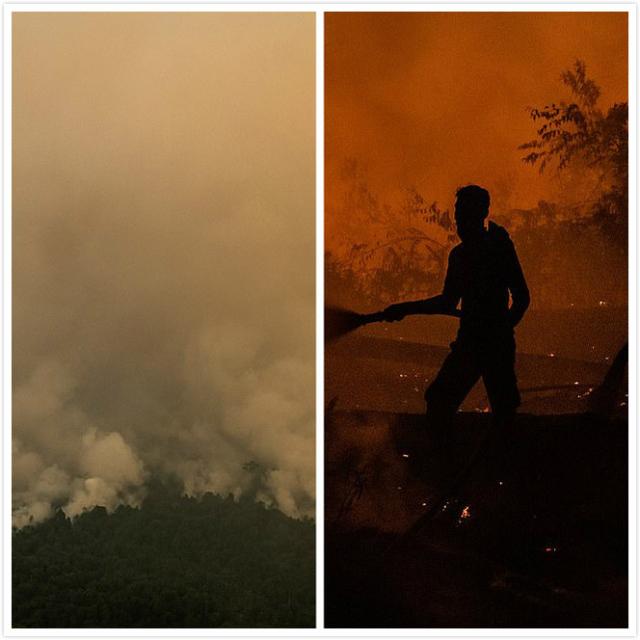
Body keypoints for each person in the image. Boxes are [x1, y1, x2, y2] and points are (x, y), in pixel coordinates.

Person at [384, 185, 530, 443]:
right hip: (471, 341)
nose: (459, 221)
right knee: (439, 400)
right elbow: (447, 301)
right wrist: (405, 308)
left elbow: (522, 298)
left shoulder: (499, 249)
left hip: (494, 345)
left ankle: (501, 466)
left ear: (482, 213)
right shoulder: (459, 256)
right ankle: (448, 464)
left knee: (503, 412)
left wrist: (501, 328)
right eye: (458, 214)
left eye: (465, 213)